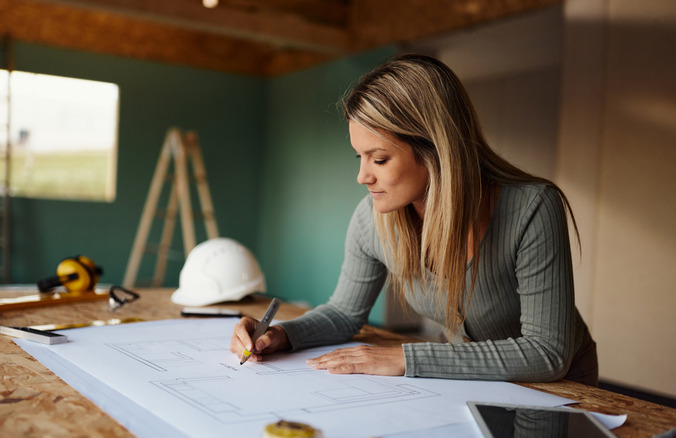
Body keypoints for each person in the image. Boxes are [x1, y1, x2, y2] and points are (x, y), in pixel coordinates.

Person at [230, 54, 598, 386]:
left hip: (561, 390)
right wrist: (280, 334)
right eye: (359, 156)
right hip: (473, 381)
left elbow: (546, 353)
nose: (362, 176)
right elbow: (344, 313)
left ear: (436, 150)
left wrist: (405, 356)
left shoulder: (533, 208)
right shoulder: (370, 219)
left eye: (379, 159)